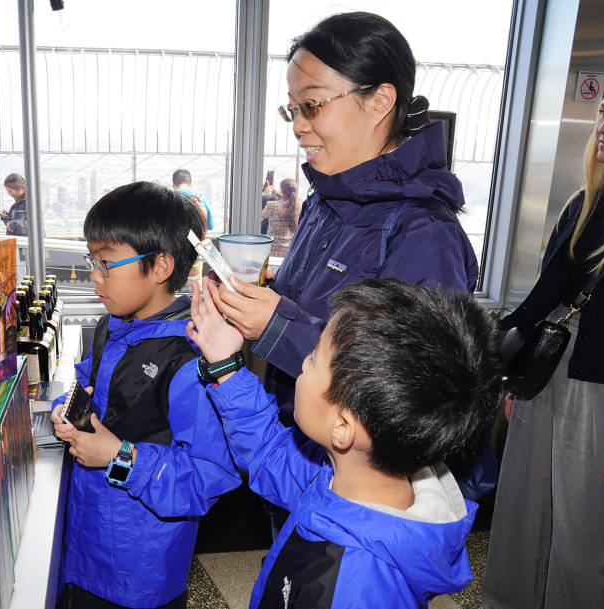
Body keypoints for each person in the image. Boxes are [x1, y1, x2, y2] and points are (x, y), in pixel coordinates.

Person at [210, 12, 478, 427]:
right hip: (292, 442)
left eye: (313, 105)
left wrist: (277, 327)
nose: (299, 126)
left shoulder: (424, 234)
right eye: (294, 108)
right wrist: (249, 301)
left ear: (380, 101)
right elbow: (307, 308)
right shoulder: (324, 203)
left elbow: (413, 392)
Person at [185, 278, 501, 608]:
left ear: (344, 427)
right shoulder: (349, 478)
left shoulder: (357, 591)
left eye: (314, 359)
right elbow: (271, 455)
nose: (304, 363)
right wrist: (225, 365)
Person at [482, 58, 604, 609]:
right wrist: (511, 374)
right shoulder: (586, 201)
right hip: (550, 374)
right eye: (603, 111)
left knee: (585, 546)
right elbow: (544, 299)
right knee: (519, 524)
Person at [50, 182, 240, 608]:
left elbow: (209, 476)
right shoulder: (113, 324)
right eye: (91, 261)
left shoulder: (188, 357)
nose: (94, 277)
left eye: (106, 264)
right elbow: (93, 381)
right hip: (88, 542)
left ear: (159, 267)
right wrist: (70, 406)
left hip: (140, 567)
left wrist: (118, 457)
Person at [261, 177, 299, 256]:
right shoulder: (299, 206)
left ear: (281, 190)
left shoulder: (272, 205)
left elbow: (261, 215)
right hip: (290, 250)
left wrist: (267, 195)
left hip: (273, 250)